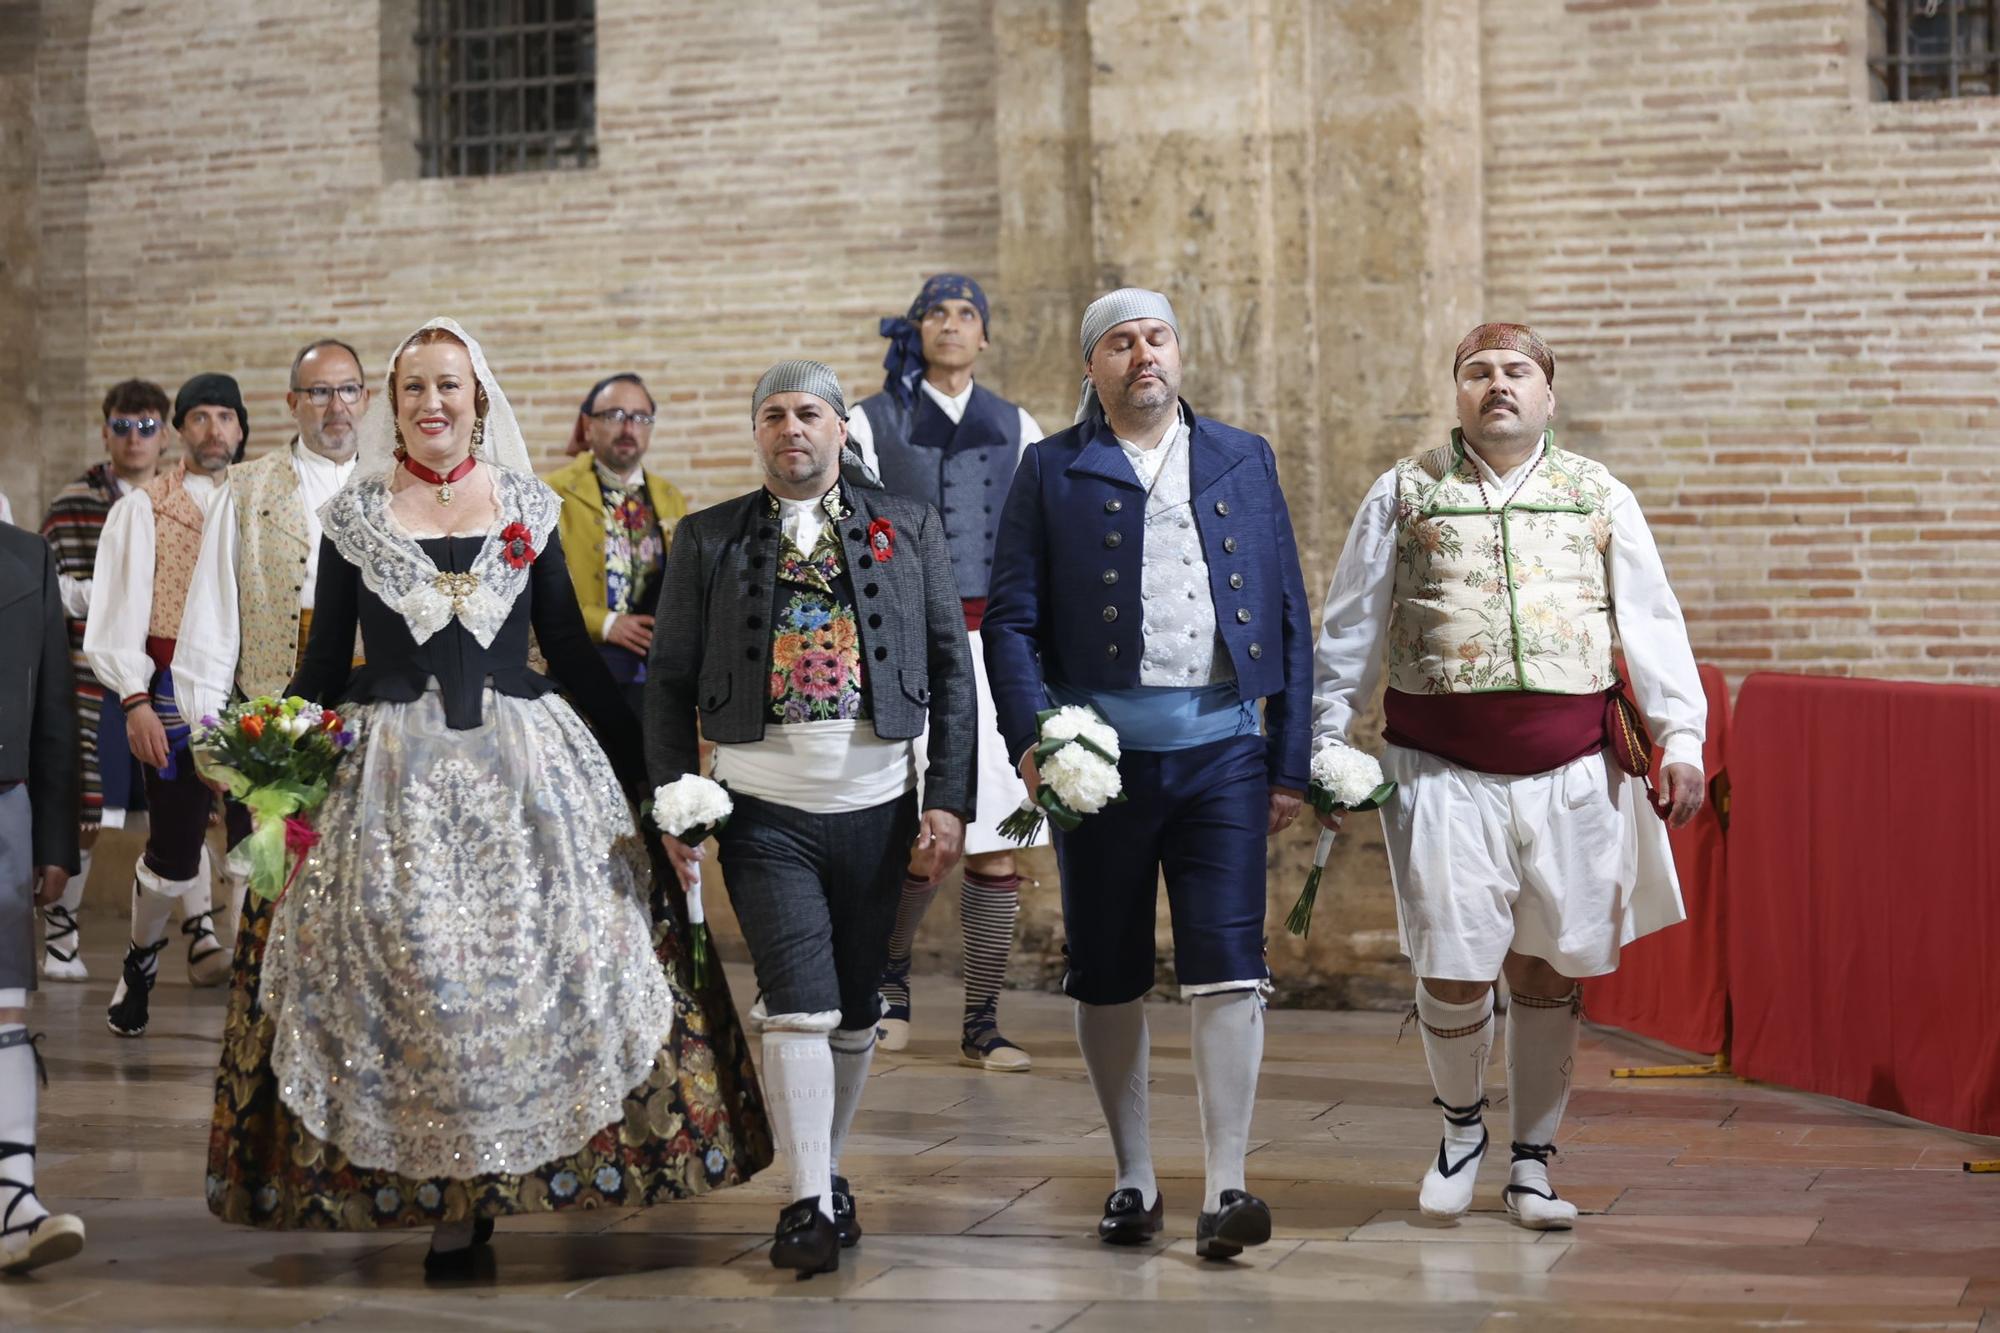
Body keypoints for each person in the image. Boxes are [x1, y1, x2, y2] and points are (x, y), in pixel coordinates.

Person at [203, 318, 769, 1275]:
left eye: (449, 387)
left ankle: (519, 1173)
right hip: (391, 782)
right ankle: (448, 1195)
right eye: (414, 387)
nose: (433, 403)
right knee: (423, 977)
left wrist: (658, 776)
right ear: (394, 405)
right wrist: (268, 767)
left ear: (479, 399)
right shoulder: (354, 516)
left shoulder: (528, 504)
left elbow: (576, 657)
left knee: (550, 969)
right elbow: (319, 663)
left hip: (528, 776)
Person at [1310, 322, 1707, 1230]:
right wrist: (1323, 736)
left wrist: (1682, 738)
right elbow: (1350, 624)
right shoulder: (1405, 492)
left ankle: (1532, 1160)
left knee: (1548, 960)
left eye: (1517, 372)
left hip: (1575, 769)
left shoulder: (1595, 492)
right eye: (1478, 372)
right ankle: (1459, 1134)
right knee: (1453, 963)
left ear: (1548, 395)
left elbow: (1653, 620)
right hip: (1441, 767)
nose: (1499, 385)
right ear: (1457, 393)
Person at [983, 288, 1313, 1261]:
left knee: (1227, 963)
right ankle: (1131, 1175)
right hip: (1100, 764)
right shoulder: (1049, 469)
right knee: (1106, 970)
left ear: (1178, 353)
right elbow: (1010, 619)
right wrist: (1034, 737)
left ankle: (1225, 1185)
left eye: (1155, 337)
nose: (1142, 355)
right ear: (1091, 366)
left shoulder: (1240, 455)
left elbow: (1286, 608)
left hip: (1222, 754)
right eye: (1119, 343)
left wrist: (1286, 760)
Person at [647, 359, 976, 1276]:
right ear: (757, 433)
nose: (790, 428)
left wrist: (949, 798)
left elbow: (952, 669)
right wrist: (677, 799)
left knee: (857, 1006)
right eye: (773, 415)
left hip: (879, 804)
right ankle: (804, 1204)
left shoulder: (906, 525)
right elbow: (669, 682)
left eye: (808, 413)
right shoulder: (706, 536)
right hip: (762, 808)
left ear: (839, 427)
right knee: (797, 999)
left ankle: (825, 1170)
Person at [848, 274, 1044, 1071]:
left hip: (995, 648)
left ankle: (983, 1022)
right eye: (939, 313)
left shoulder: (1017, 423)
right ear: (919, 329)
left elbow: (1036, 542)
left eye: (968, 315)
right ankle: (889, 983)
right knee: (923, 840)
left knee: (998, 842)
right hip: (905, 647)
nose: (953, 325)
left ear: (986, 336)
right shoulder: (870, 418)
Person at [83, 375, 249, 1035]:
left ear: (242, 427)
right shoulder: (144, 508)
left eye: (225, 417)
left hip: (252, 692)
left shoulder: (264, 500)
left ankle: (253, 981)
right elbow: (115, 608)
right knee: (175, 849)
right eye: (200, 417)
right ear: (181, 428)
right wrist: (134, 699)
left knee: (256, 840)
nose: (214, 429)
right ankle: (140, 959)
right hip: (170, 688)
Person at [36, 381, 170, 981]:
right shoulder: (74, 503)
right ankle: (61, 936)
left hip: (167, 673)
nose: (134, 438)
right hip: (92, 677)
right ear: (105, 431)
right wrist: (120, 598)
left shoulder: (182, 498)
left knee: (177, 811)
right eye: (122, 426)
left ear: (163, 432)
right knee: (88, 814)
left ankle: (196, 937)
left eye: (146, 426)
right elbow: (49, 590)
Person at [0, 519, 87, 1274]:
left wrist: (56, 837)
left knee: (4, 1002)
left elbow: (54, 708)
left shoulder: (27, 556)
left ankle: (13, 1199)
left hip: (2, 807)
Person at [541, 373, 687, 721]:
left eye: (640, 417)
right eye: (614, 415)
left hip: (652, 669)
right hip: (582, 661)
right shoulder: (552, 493)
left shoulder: (669, 497)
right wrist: (606, 623)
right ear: (588, 426)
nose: (628, 428)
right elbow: (538, 589)